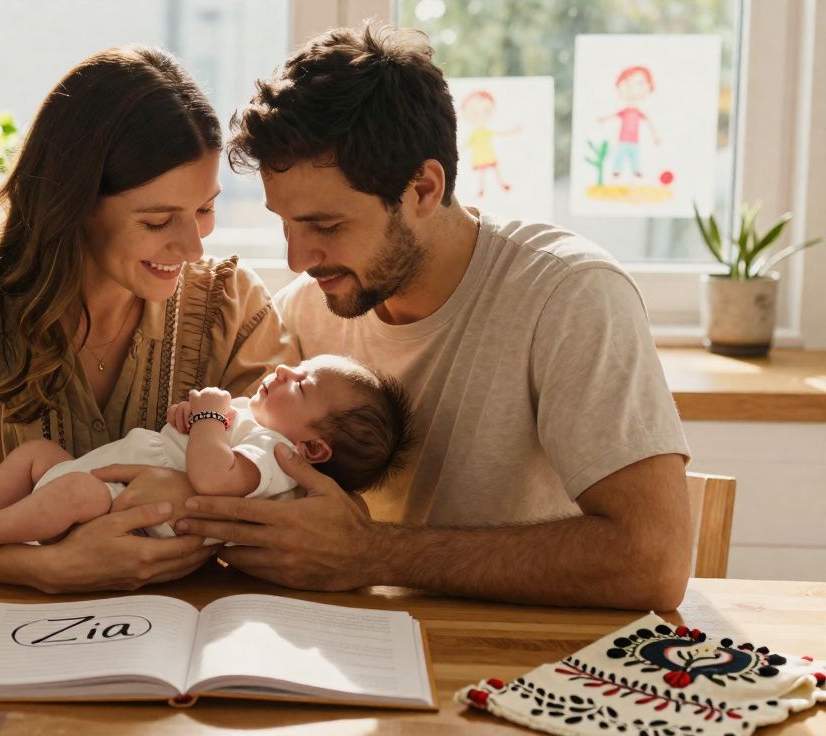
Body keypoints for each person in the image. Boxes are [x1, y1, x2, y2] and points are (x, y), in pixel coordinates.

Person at [169, 24, 693, 611]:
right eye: (285, 223)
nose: (298, 259)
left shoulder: (569, 296)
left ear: (422, 187)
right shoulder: (309, 307)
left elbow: (654, 562)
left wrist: (374, 553)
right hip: (357, 650)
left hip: (520, 664)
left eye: (326, 226)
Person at [0, 46, 298, 592]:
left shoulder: (230, 303)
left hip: (178, 633)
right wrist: (41, 567)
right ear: (75, 204)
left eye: (204, 209)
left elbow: (294, 505)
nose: (193, 247)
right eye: (157, 221)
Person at [0, 355, 411, 554]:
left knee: (76, 489)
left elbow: (214, 478)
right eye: (299, 366)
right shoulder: (256, 425)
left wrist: (207, 420)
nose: (284, 369)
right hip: (111, 479)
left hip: (122, 507)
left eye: (301, 384)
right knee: (36, 453)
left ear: (314, 449)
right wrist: (193, 417)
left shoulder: (278, 455)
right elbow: (200, 443)